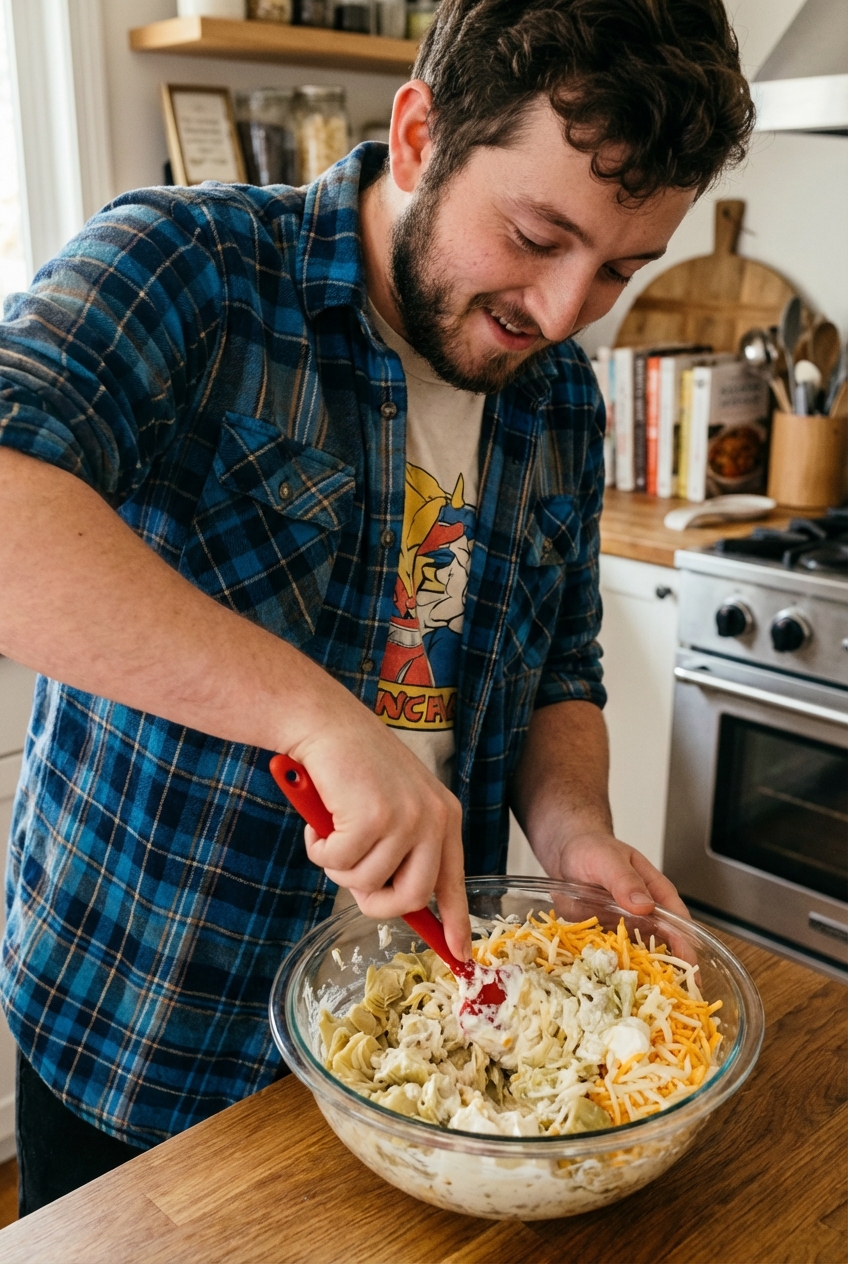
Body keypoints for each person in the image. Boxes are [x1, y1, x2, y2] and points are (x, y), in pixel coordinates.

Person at [0, 0, 753, 1215]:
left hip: (432, 1051)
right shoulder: (190, 269)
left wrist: (573, 836)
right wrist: (317, 717)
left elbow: (558, 659)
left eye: (617, 268)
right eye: (534, 235)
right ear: (417, 137)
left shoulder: (557, 395)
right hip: (147, 1033)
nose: (562, 315)